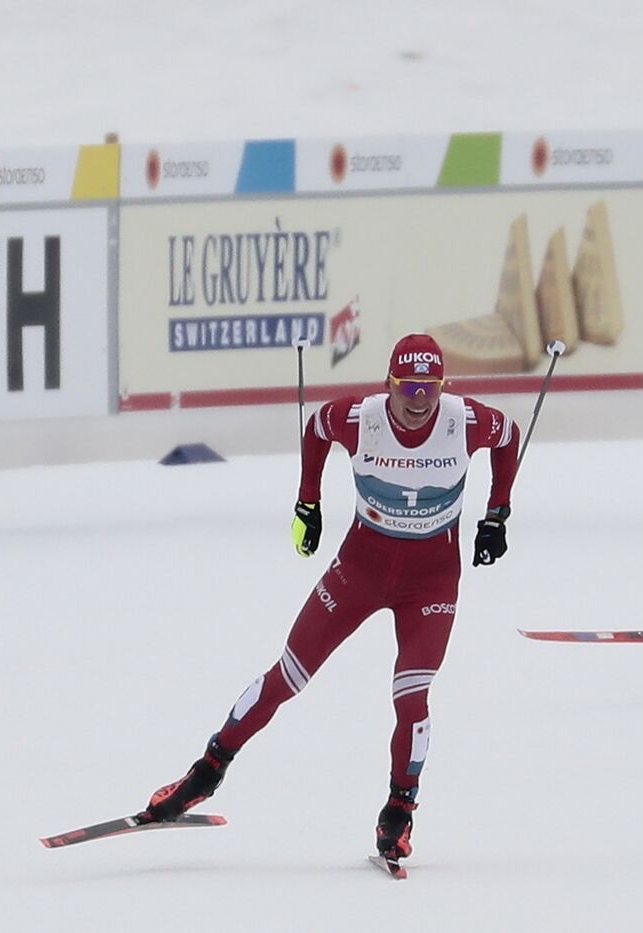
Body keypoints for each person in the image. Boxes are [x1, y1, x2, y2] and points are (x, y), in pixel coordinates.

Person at [140, 333, 519, 865]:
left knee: (411, 697)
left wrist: (496, 512)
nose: (417, 399)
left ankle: (398, 811)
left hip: (431, 581)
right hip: (360, 568)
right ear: (388, 384)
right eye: (407, 386)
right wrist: (308, 502)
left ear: (442, 386)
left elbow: (510, 436)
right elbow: (316, 427)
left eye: (429, 388)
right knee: (288, 676)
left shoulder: (467, 421)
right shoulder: (359, 418)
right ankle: (205, 771)